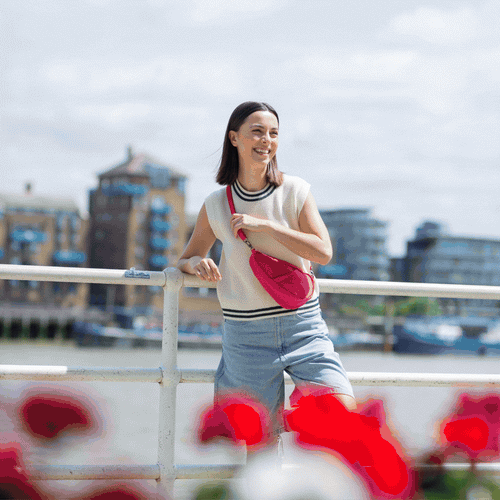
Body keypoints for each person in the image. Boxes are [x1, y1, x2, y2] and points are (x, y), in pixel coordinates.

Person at [177, 101, 355, 437]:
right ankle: (270, 429)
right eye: (257, 132)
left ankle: (295, 424)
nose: (267, 140)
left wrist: (268, 227)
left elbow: (323, 251)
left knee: (341, 410)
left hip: (303, 325)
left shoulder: (295, 191)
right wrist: (196, 263)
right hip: (245, 334)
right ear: (234, 138)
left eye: (273, 133)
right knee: (258, 439)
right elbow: (186, 258)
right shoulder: (216, 204)